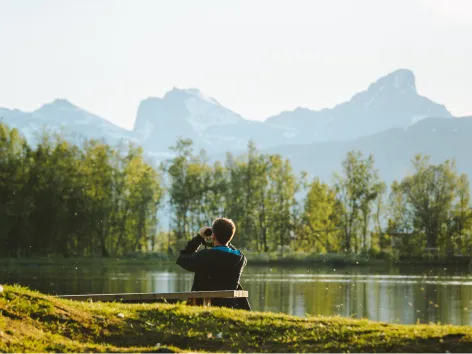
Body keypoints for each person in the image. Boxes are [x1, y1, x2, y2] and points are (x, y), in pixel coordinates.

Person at [176, 217, 251, 310]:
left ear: (214, 236)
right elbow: (227, 250)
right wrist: (224, 240)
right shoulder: (240, 258)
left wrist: (199, 238)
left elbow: (183, 259)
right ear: (230, 237)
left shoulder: (205, 256)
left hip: (203, 306)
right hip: (228, 307)